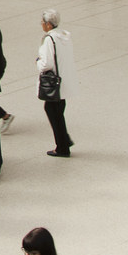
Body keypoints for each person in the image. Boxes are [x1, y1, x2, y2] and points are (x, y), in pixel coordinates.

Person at [39, 8, 73, 157]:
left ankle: (62, 146)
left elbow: (46, 64)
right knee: (58, 111)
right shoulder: (64, 36)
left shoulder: (49, 39)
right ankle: (64, 141)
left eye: (42, 22)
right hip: (64, 80)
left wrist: (38, 63)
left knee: (52, 111)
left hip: (53, 82)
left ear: (48, 24)